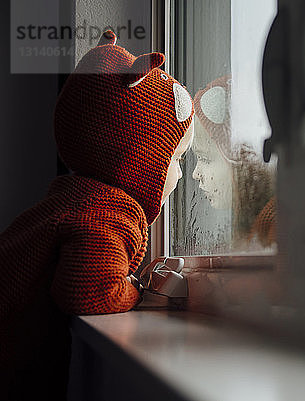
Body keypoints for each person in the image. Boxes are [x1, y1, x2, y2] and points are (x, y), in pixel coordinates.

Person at [0, 31, 194, 399]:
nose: (181, 173)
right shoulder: (104, 217)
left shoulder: (72, 201)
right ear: (140, 159)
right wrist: (136, 291)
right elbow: (87, 293)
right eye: (177, 159)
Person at [193, 75, 277, 250]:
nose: (195, 174)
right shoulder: (254, 229)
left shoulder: (276, 231)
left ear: (239, 161)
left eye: (205, 158)